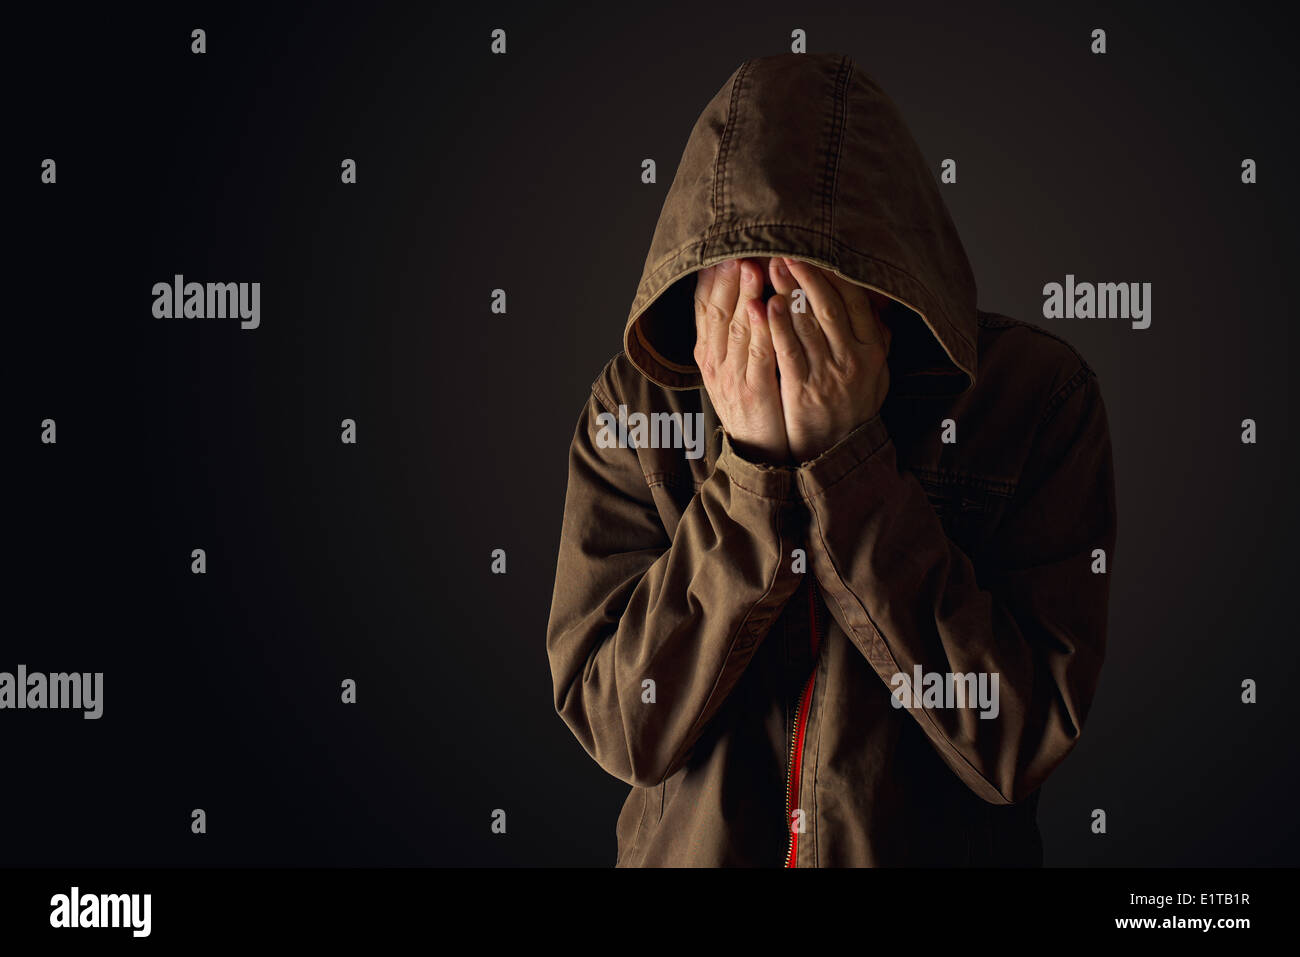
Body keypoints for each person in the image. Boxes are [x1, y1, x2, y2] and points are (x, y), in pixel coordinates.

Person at [545, 52, 1118, 866]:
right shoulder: (636, 409)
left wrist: (851, 467)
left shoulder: (1034, 399)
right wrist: (751, 478)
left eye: (809, 273)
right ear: (697, 271)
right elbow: (618, 725)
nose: (771, 311)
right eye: (743, 274)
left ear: (889, 281)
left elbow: (1016, 742)